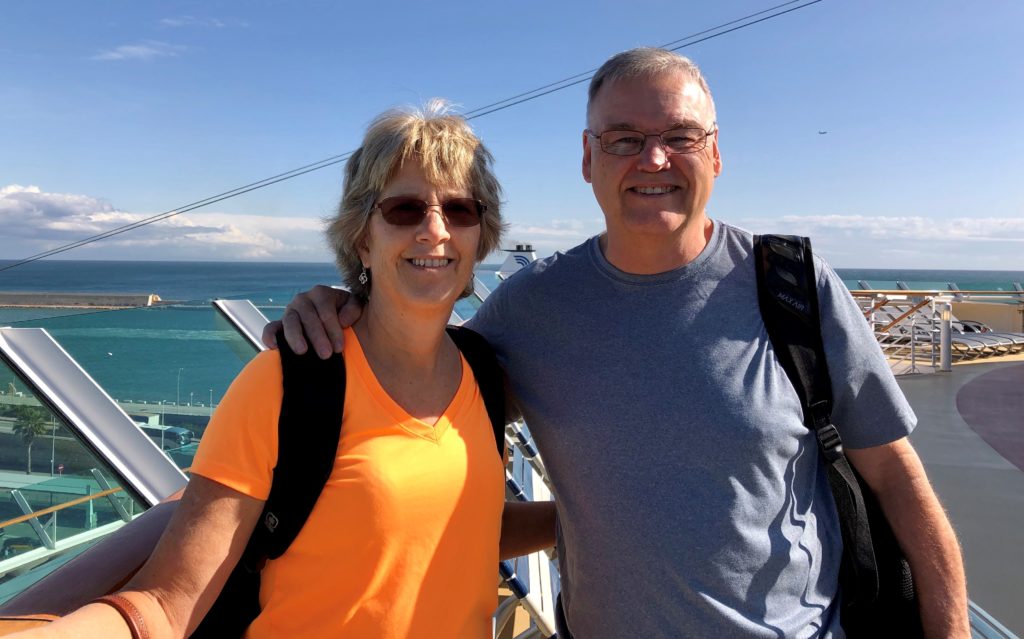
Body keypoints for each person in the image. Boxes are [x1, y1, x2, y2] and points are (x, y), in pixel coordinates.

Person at [264, 50, 969, 637]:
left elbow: (899, 482)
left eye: (681, 136)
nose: (653, 158)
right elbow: (414, 391)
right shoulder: (534, 308)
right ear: (587, 156)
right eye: (625, 138)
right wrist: (346, 302)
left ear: (715, 154)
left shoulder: (791, 286)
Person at [14, 103, 554, 639]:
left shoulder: (482, 372)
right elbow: (166, 601)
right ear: (362, 238)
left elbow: (468, 523)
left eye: (460, 210)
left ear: (479, 237)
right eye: (404, 210)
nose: (435, 230)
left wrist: (582, 522)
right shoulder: (286, 384)